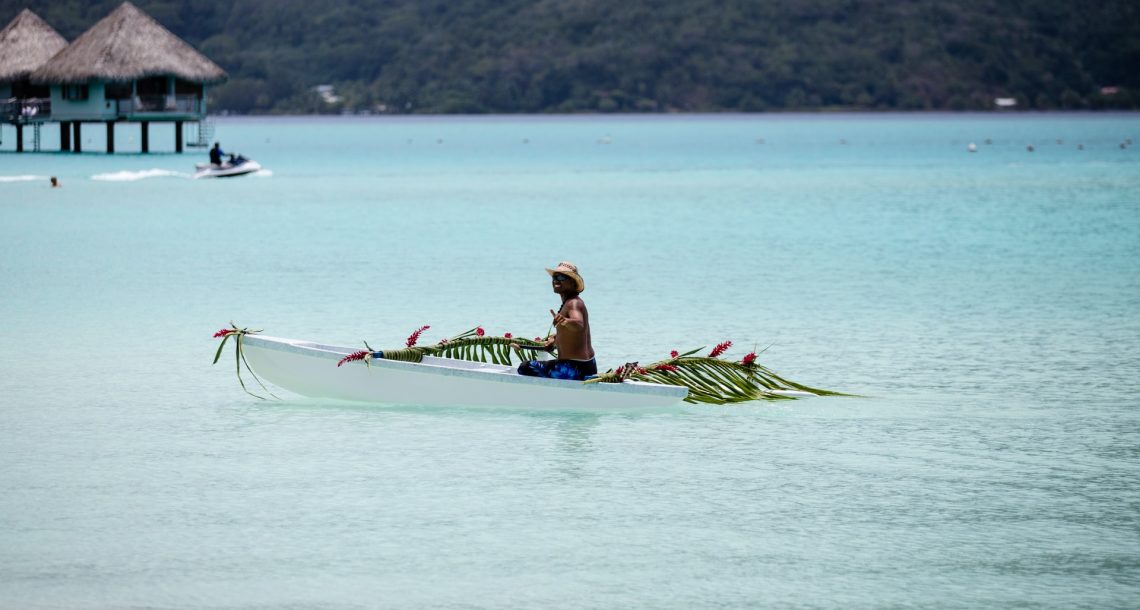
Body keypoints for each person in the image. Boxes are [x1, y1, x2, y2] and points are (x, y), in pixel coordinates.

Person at [516, 261, 597, 380]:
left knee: (524, 367)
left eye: (561, 277)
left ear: (573, 283)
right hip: (587, 366)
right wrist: (555, 339)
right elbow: (575, 333)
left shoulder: (573, 303)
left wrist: (566, 321)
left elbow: (579, 324)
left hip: (574, 368)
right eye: (554, 277)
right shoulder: (570, 302)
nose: (556, 280)